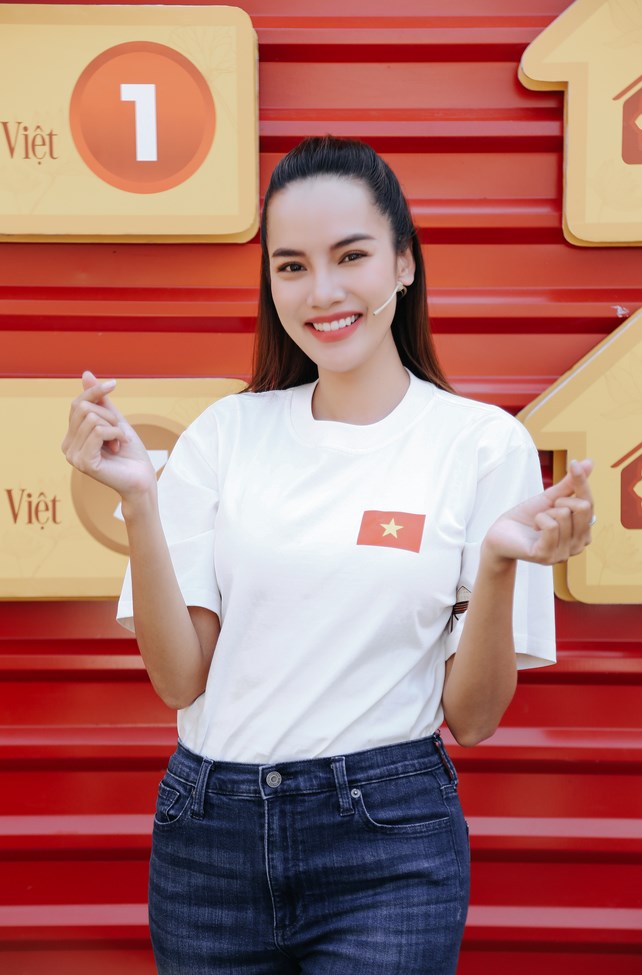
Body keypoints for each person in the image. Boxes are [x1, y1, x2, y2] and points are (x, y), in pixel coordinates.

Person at [61, 136, 594, 975]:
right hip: (210, 841)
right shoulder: (225, 435)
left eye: (351, 256)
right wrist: (139, 501)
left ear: (404, 264)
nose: (323, 292)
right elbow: (179, 680)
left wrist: (499, 565)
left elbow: (474, 719)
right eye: (292, 266)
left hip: (389, 844)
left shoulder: (482, 445)